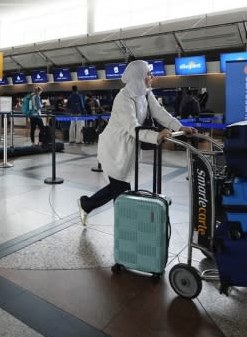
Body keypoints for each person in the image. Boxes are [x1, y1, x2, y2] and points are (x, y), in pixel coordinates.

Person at [76, 60, 198, 225]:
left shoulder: (146, 93)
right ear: (139, 76)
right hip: (115, 148)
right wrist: (156, 136)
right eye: (148, 73)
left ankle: (86, 204)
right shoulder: (123, 98)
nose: (152, 76)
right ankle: (124, 229)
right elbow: (133, 127)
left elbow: (159, 112)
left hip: (129, 147)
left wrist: (180, 126)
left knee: (118, 187)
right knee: (121, 190)